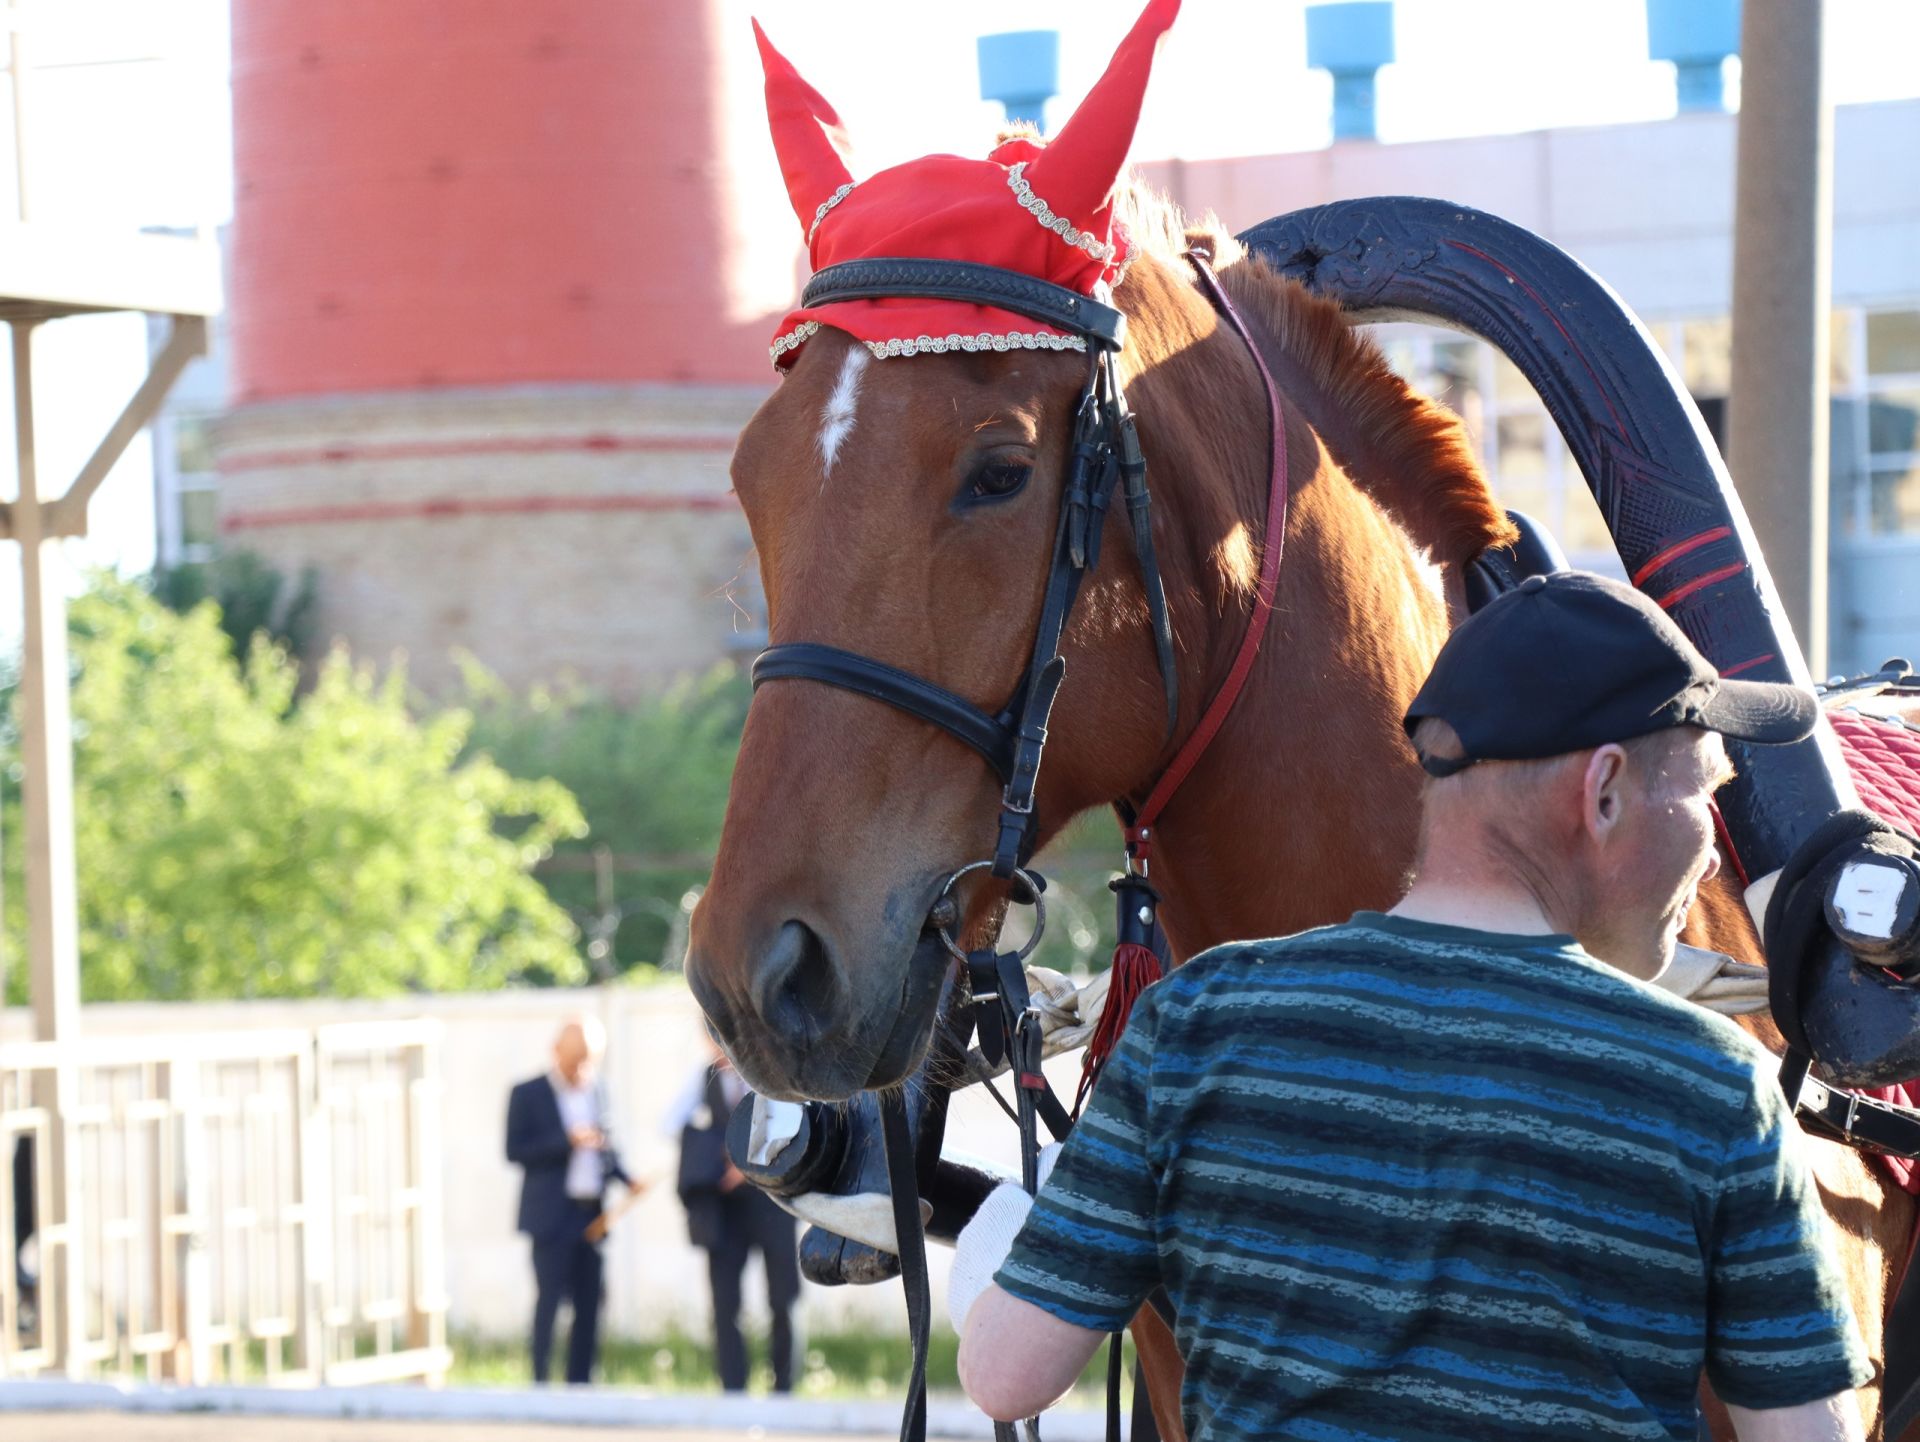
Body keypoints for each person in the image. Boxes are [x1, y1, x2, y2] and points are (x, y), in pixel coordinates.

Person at [951, 571, 1872, 1441]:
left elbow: (1005, 1375)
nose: (1713, 850)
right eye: (1706, 789)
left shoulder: (1190, 1028)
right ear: (1602, 793)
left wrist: (1012, 1225)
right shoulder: (1715, 1090)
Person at [665, 1039, 801, 1393]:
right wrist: (712, 1153)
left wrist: (748, 1165)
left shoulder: (772, 1074)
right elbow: (669, 1125)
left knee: (782, 1299)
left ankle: (783, 1386)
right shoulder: (704, 1080)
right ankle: (733, 1386)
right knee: (725, 1302)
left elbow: (796, 1124)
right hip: (726, 1210)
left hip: (773, 1204)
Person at [505, 1015, 633, 1385]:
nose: (582, 1068)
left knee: (590, 1303)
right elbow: (514, 1150)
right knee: (548, 1302)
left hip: (590, 1216)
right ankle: (540, 1379)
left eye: (588, 1060)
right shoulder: (528, 1093)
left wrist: (627, 1179)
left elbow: (605, 1147)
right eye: (576, 1059)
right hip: (550, 1217)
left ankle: (581, 1382)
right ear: (556, 1051)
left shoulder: (598, 1090)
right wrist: (568, 1141)